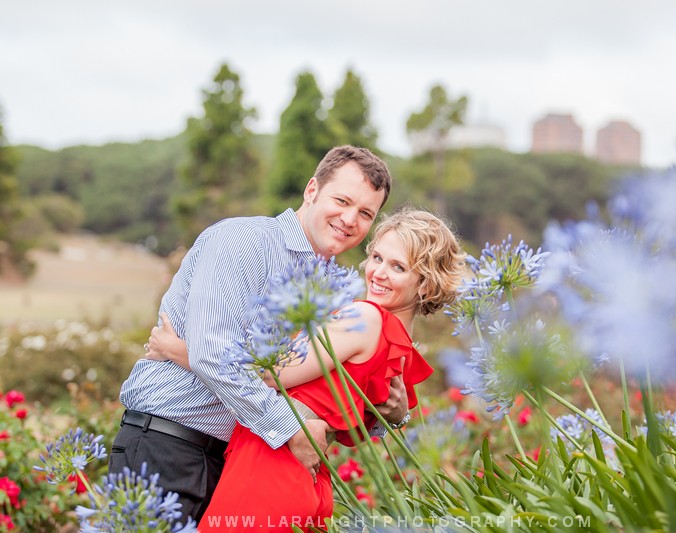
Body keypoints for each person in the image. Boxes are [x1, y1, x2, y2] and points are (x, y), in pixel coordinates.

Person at [110, 146, 406, 523]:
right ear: (311, 190)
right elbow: (213, 355)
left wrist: (388, 415)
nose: (350, 219)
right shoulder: (242, 242)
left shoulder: (334, 289)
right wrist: (290, 429)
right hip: (169, 444)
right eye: (342, 200)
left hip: (241, 462)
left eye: (365, 213)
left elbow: (323, 391)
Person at [145, 207, 467, 531]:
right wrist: (399, 418)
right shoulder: (402, 346)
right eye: (377, 258)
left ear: (425, 284)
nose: (377, 273)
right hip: (308, 479)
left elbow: (270, 374)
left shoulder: (365, 318)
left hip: (271, 467)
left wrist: (179, 350)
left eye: (398, 267)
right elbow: (361, 426)